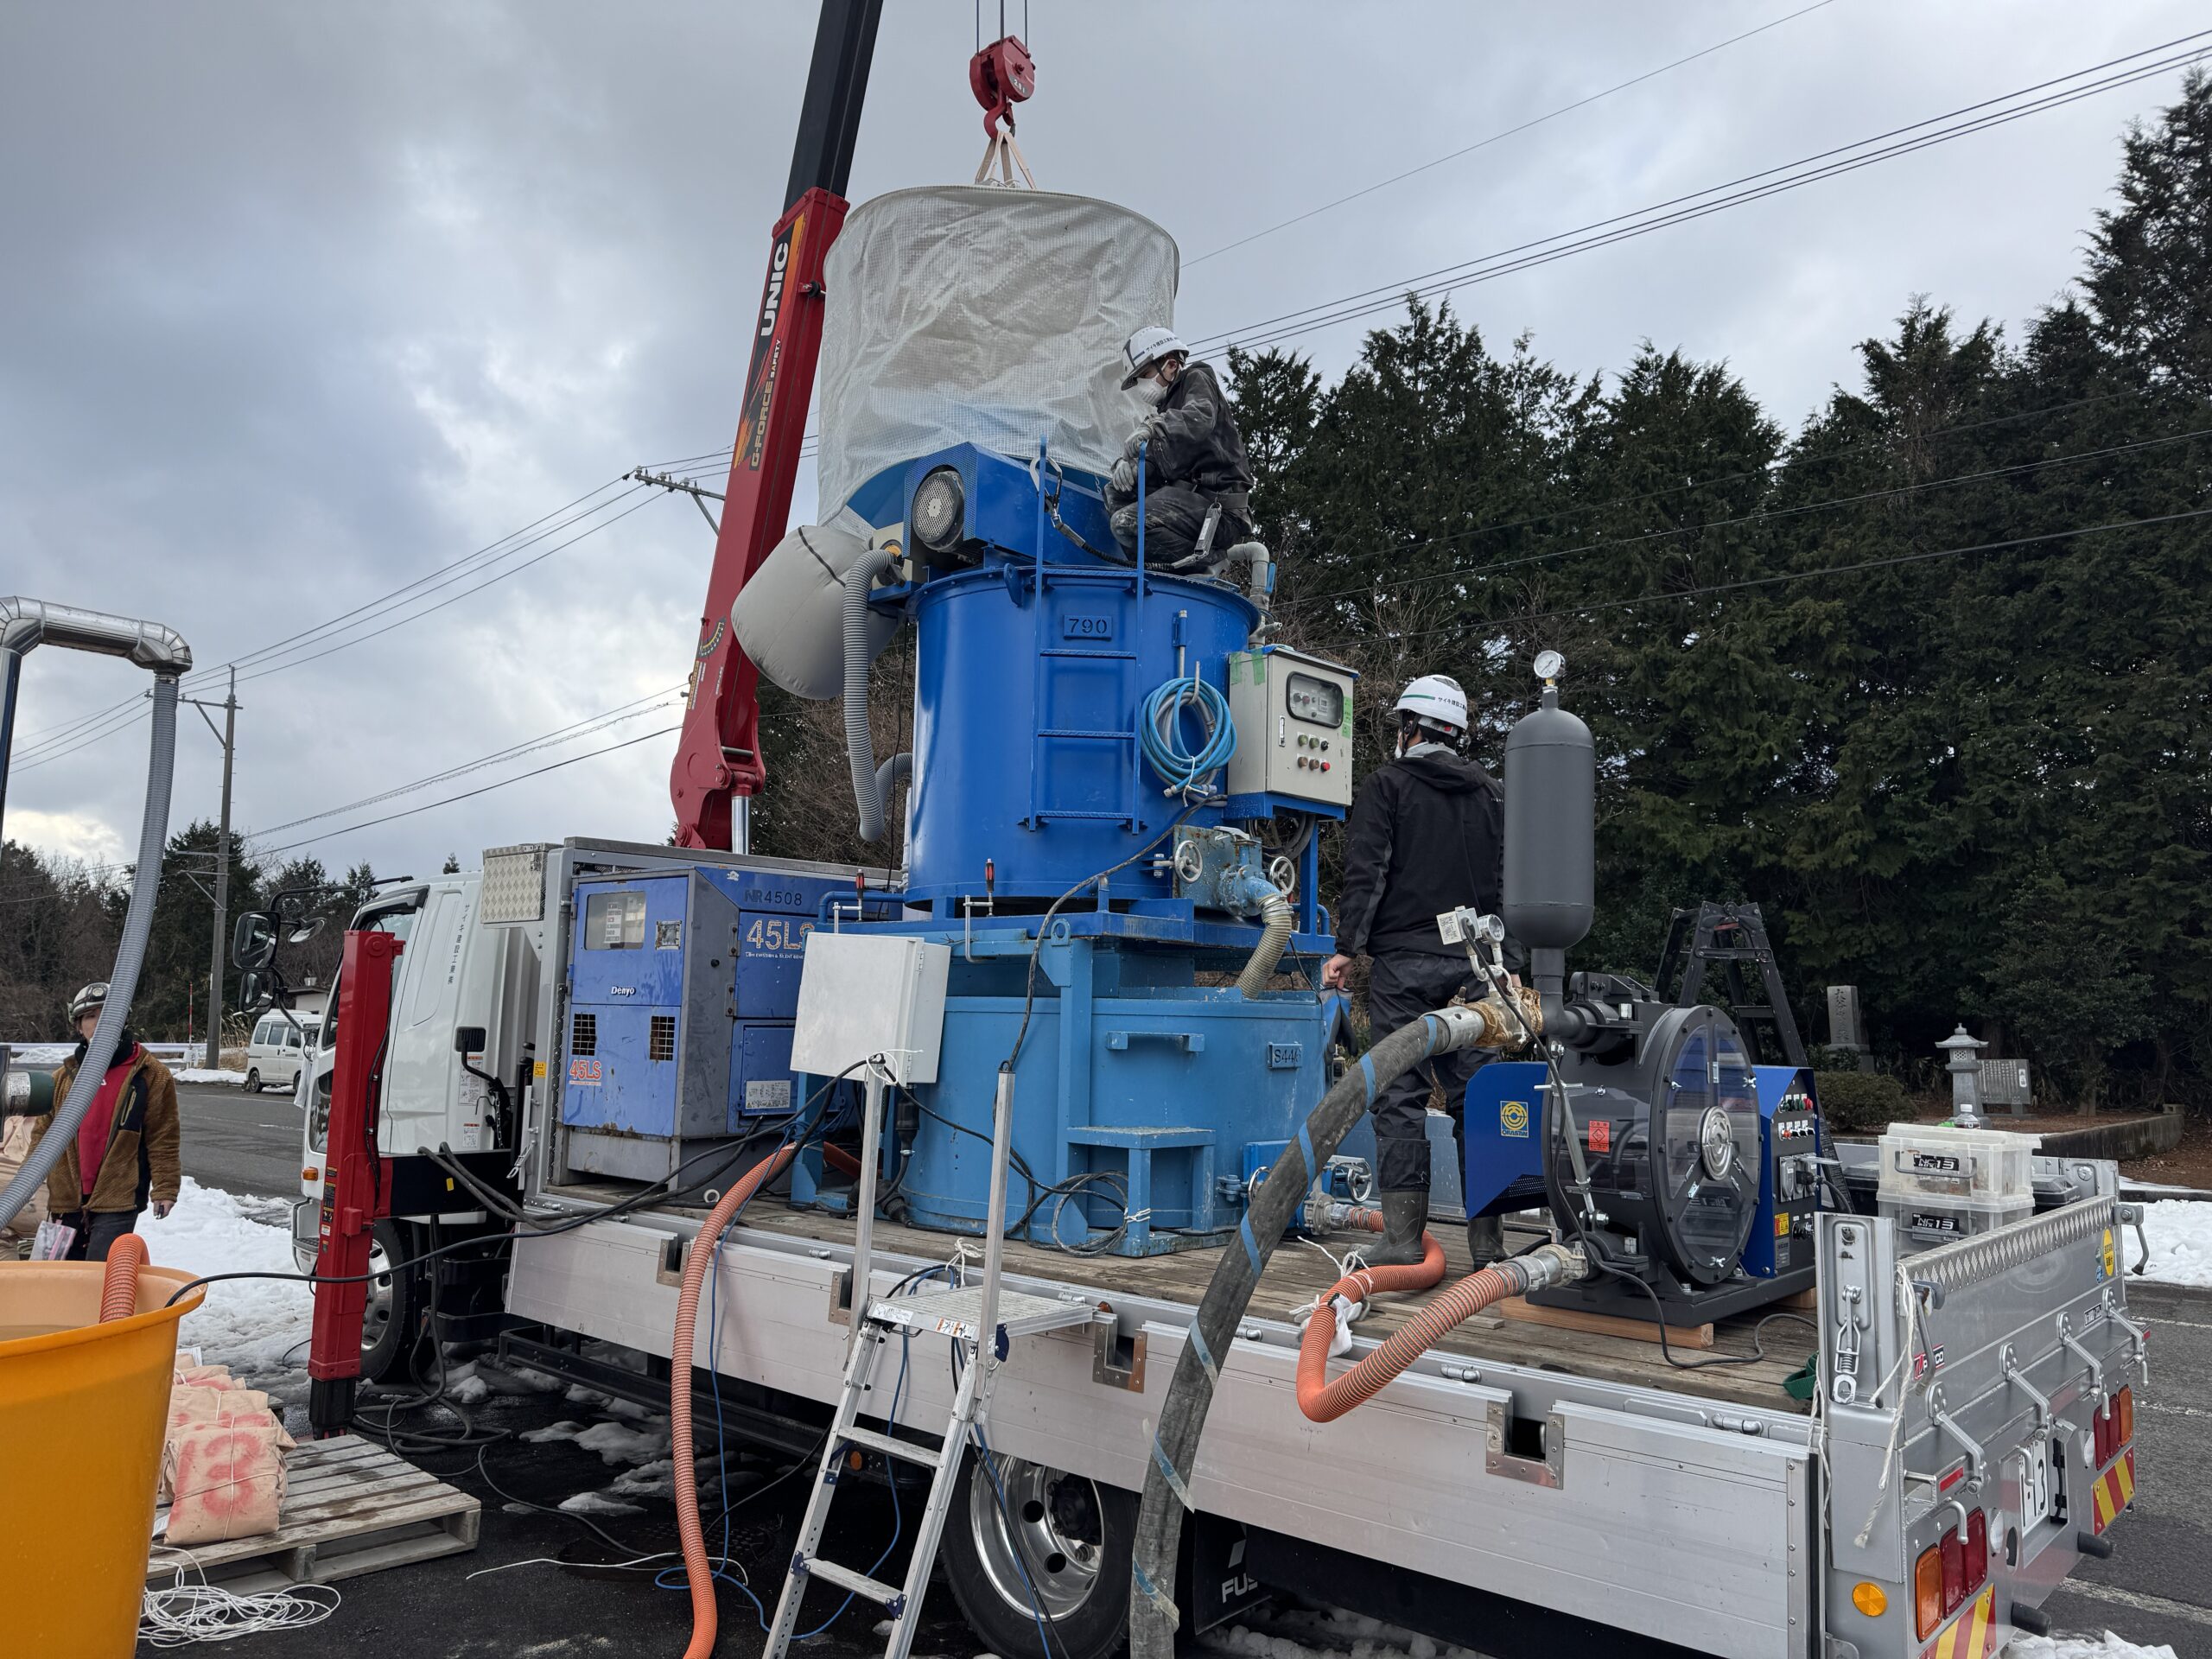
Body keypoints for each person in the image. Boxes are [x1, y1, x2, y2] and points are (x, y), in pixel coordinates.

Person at [1320, 675, 1510, 1268]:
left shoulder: (1389, 784)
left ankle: (1403, 1240)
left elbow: (1369, 870)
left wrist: (1347, 948)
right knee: (1479, 1098)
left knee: (1399, 1093)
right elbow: (1505, 881)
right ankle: (1489, 1248)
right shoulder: (1493, 794)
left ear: (1411, 727)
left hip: (1405, 963)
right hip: (1476, 965)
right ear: (1455, 734)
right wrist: (1506, 965)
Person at [10, 982, 181, 1261]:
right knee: (54, 1274)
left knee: (98, 1275)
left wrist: (166, 1188)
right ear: (79, 1026)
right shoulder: (63, 1078)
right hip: (65, 1199)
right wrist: (26, 1184)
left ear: (123, 1020)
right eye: (90, 1016)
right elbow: (43, 1133)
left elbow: (164, 1137)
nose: (100, 1023)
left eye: (108, 1015)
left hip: (118, 1197)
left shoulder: (150, 1075)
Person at [1104, 326, 1255, 571]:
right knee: (1116, 492)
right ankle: (1152, 569)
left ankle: (1204, 561)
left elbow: (1199, 418)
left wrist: (1152, 426)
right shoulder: (1167, 412)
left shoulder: (1196, 380)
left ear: (1171, 365)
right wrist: (1126, 467)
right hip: (1192, 505)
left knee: (1126, 522)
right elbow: (1158, 466)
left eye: (1145, 374)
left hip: (1220, 511)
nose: (1141, 385)